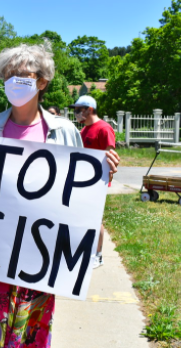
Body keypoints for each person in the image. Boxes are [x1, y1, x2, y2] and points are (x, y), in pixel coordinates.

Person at [0, 42, 120, 348]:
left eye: (22, 75)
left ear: (42, 81)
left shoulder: (64, 132)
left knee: (29, 340)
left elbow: (75, 195)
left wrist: (102, 168)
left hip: (36, 267)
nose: (14, 81)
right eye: (8, 75)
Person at [70, 95, 116, 269]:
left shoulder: (104, 129)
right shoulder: (83, 130)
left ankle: (98, 255)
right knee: (83, 218)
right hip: (82, 181)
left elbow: (110, 153)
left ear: (89, 110)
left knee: (95, 218)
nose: (76, 114)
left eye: (78, 110)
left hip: (97, 181)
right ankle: (86, 251)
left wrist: (108, 173)